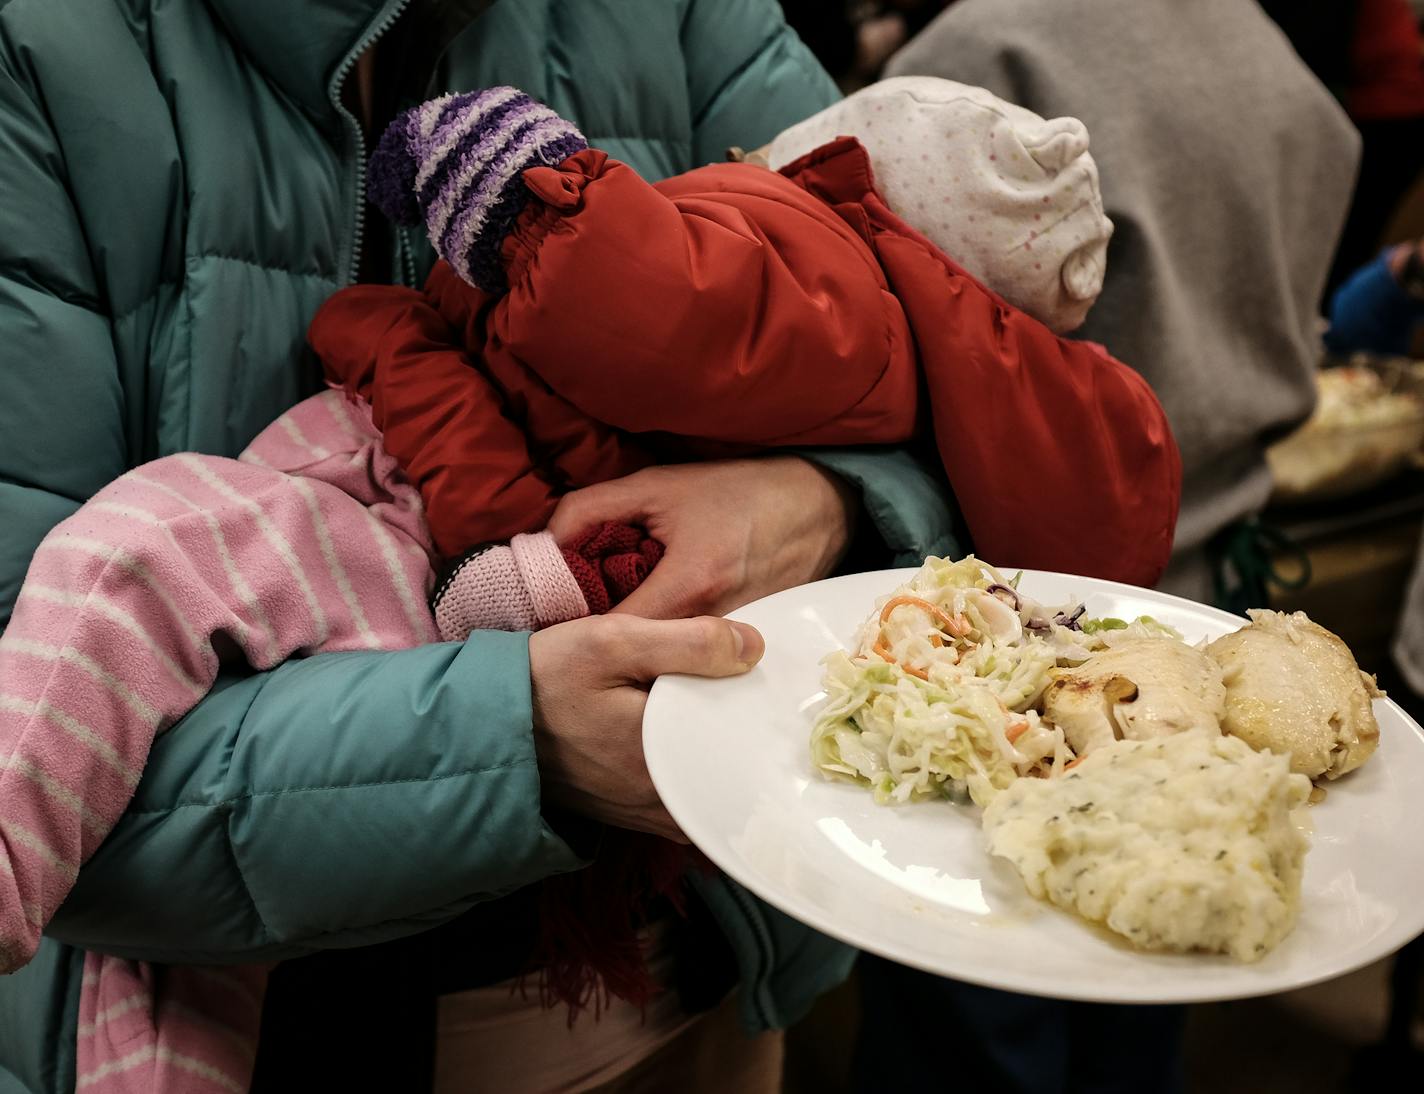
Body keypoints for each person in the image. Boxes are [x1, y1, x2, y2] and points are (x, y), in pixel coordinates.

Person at [0, 2, 964, 1091]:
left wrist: (823, 501)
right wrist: (514, 730)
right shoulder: (38, 47)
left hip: (702, 987)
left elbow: (973, 355)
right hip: (274, 1027)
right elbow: (33, 707)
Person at [852, 0, 1362, 1090]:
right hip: (1212, 640)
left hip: (1023, 664)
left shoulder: (989, 54)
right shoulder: (1291, 83)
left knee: (975, 1040)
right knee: (1149, 978)